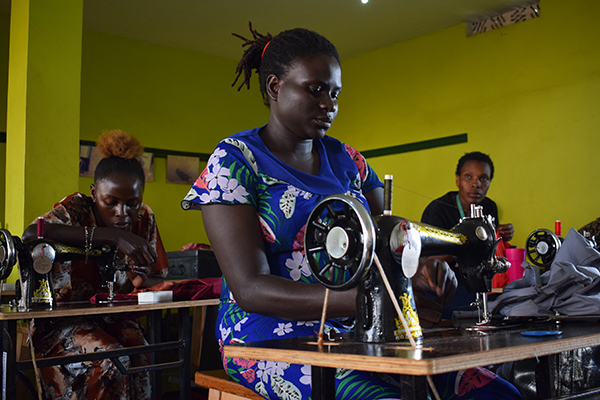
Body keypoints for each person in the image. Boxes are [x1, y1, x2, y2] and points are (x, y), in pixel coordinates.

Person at [182, 24, 521, 400]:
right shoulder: (234, 161)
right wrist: (368, 300)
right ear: (275, 87)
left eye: (335, 93)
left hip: (356, 328)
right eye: (315, 90)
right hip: (266, 338)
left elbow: (389, 242)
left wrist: (424, 267)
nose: (329, 104)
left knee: (496, 393)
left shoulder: (348, 160)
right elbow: (249, 288)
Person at [22, 130, 169, 400]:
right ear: (93, 193)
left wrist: (140, 278)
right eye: (110, 202)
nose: (122, 213)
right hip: (61, 322)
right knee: (111, 361)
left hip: (113, 316)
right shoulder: (76, 209)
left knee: (143, 356)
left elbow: (148, 281)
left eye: (132, 203)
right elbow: (32, 234)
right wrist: (111, 235)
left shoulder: (144, 217)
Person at [421, 151, 514, 318]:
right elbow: (428, 262)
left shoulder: (489, 207)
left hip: (477, 284)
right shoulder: (437, 210)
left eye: (483, 178)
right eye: (468, 177)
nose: (476, 184)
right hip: (444, 288)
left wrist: (499, 234)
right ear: (458, 180)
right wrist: (460, 247)